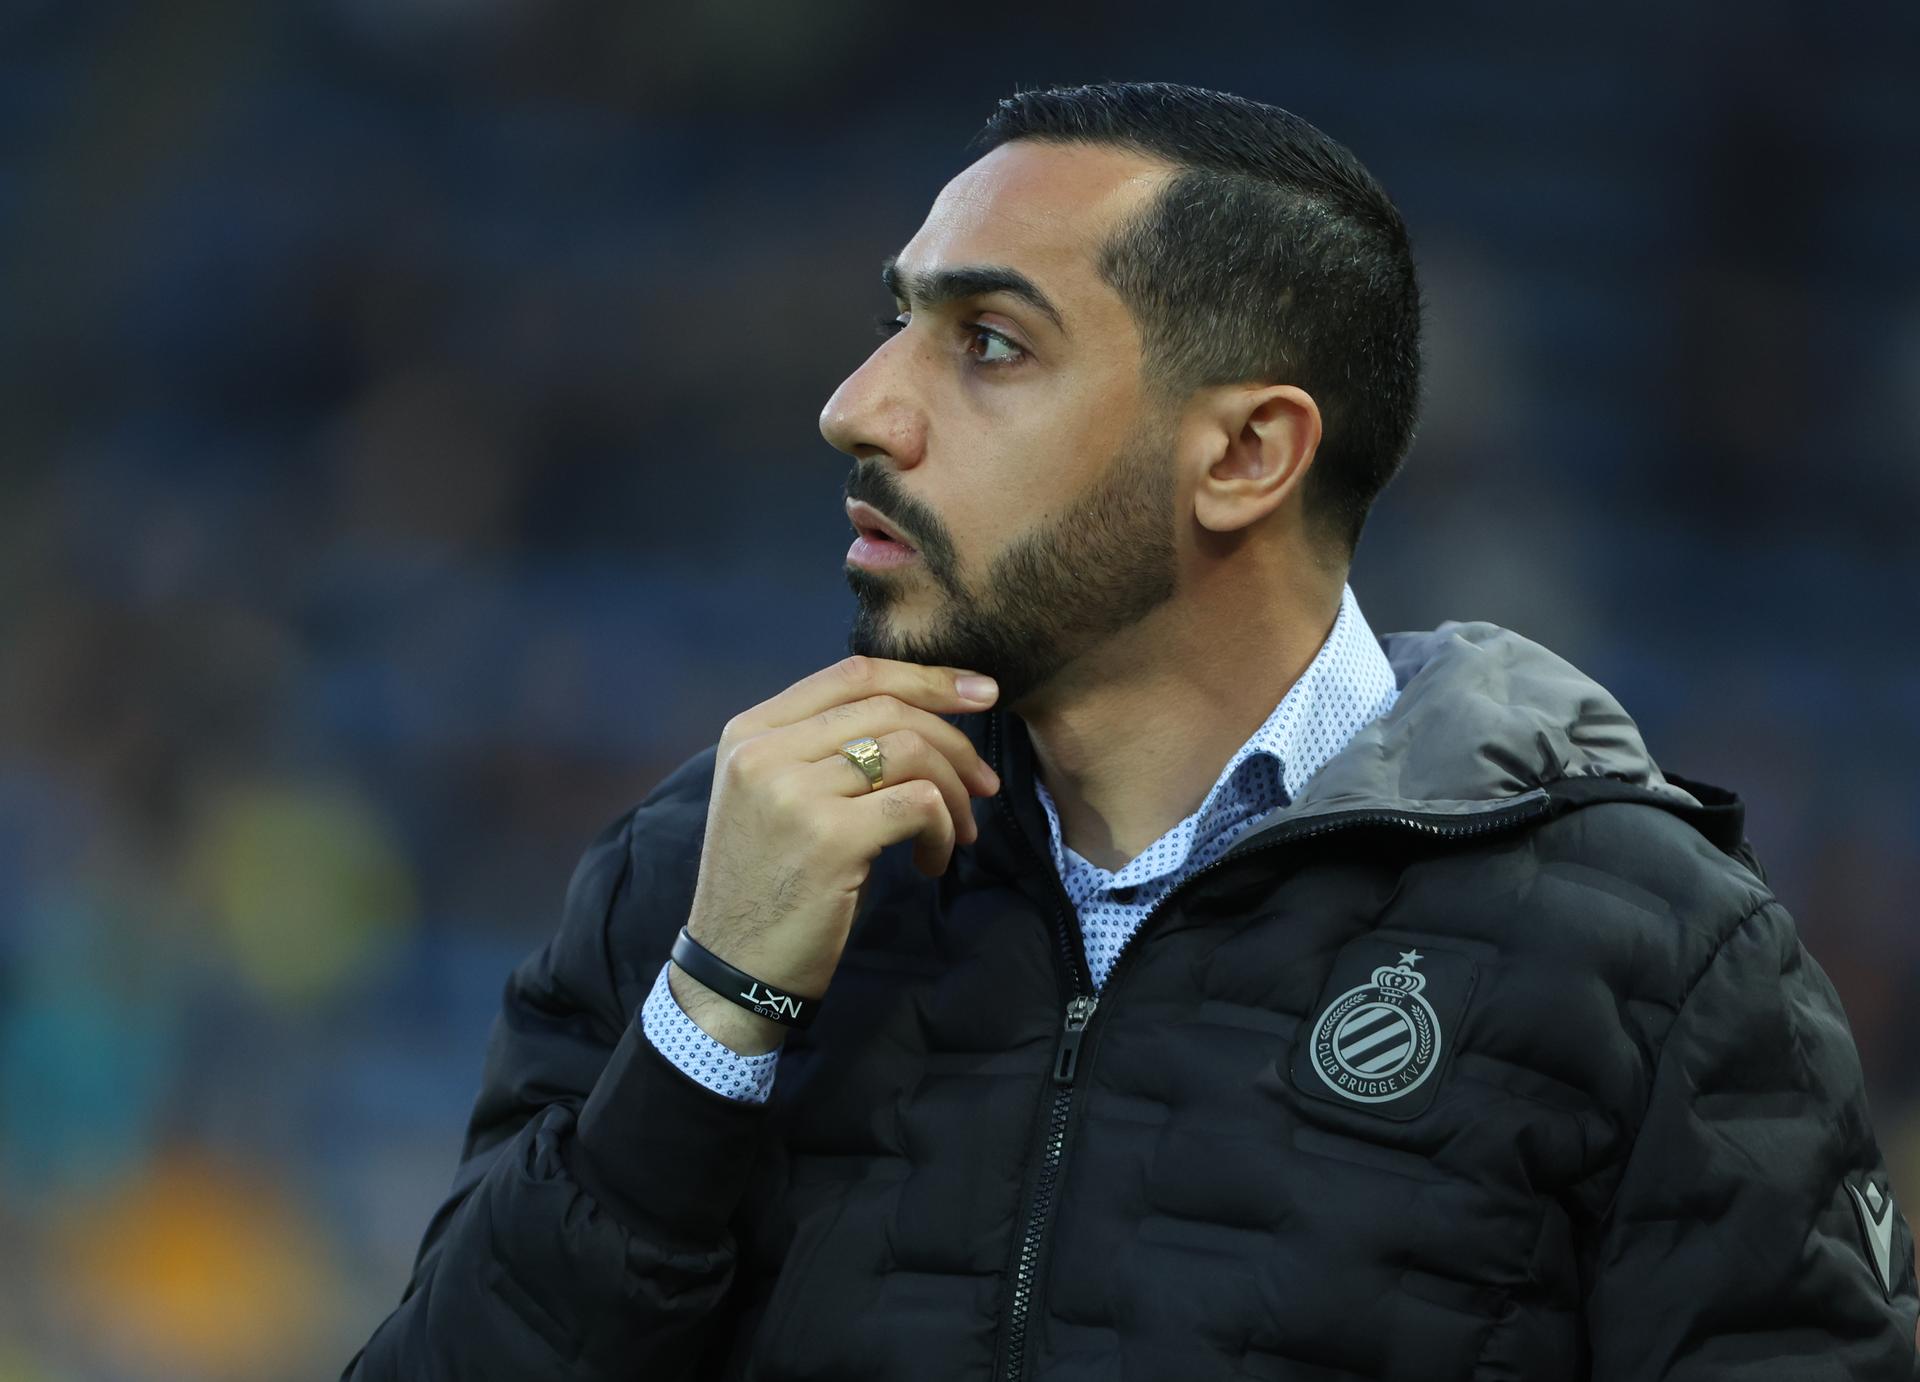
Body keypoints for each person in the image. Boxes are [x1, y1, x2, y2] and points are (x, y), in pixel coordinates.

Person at [343, 82, 1919, 1380]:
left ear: (1243, 453)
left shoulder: (1649, 957)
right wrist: (712, 1020)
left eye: (990, 345)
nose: (859, 404)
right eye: (898, 322)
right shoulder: (710, 870)